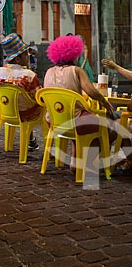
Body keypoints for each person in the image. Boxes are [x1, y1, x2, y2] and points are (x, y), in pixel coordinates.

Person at [44, 35, 114, 170]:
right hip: (76, 121)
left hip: (54, 121)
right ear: (73, 54)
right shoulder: (76, 71)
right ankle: (91, 161)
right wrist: (104, 102)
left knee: (77, 123)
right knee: (107, 127)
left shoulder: (48, 72)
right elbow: (91, 92)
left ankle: (75, 160)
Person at [0, 33, 42, 151]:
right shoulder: (29, 75)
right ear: (18, 59)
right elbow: (38, 97)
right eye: (26, 55)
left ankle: (29, 141)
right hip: (26, 114)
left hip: (6, 113)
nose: (28, 57)